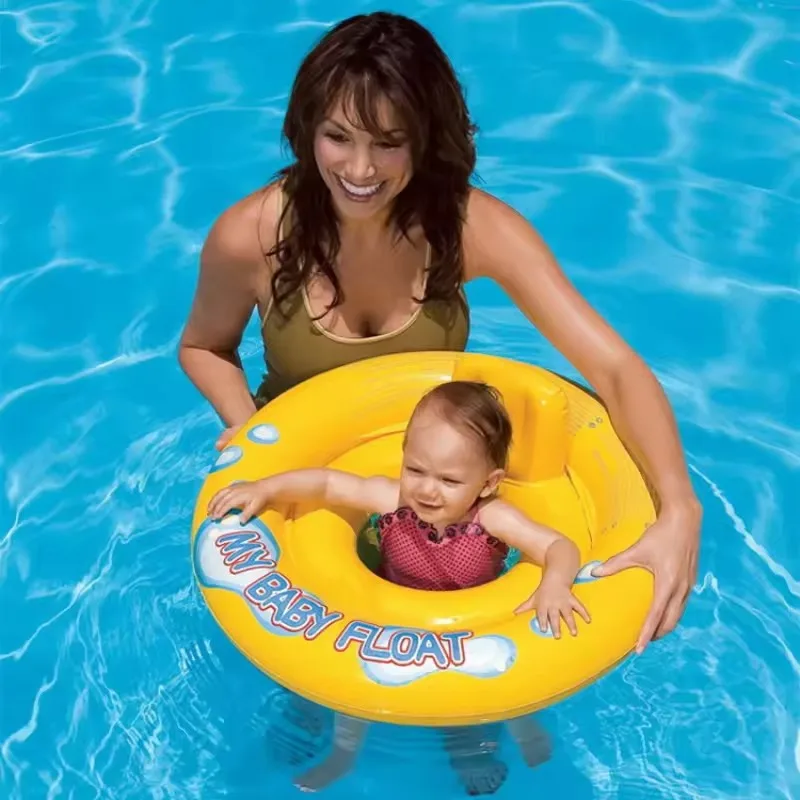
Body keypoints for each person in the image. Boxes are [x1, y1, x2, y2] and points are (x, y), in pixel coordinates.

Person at [178, 10, 700, 661]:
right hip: (313, 487)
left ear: (425, 139)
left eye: (389, 142)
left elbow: (615, 368)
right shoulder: (253, 236)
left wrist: (681, 511)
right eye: (338, 137)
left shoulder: (471, 229)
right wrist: (247, 427)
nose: (360, 169)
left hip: (442, 484)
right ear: (306, 128)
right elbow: (203, 348)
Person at [207, 380, 587, 793]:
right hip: (386, 617)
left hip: (470, 624)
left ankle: (483, 748)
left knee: (478, 699)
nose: (426, 489)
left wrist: (555, 583)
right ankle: (341, 757)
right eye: (416, 469)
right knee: (351, 692)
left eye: (449, 480)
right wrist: (265, 488)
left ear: (488, 483)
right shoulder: (393, 501)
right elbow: (329, 484)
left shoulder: (492, 518)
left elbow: (558, 545)